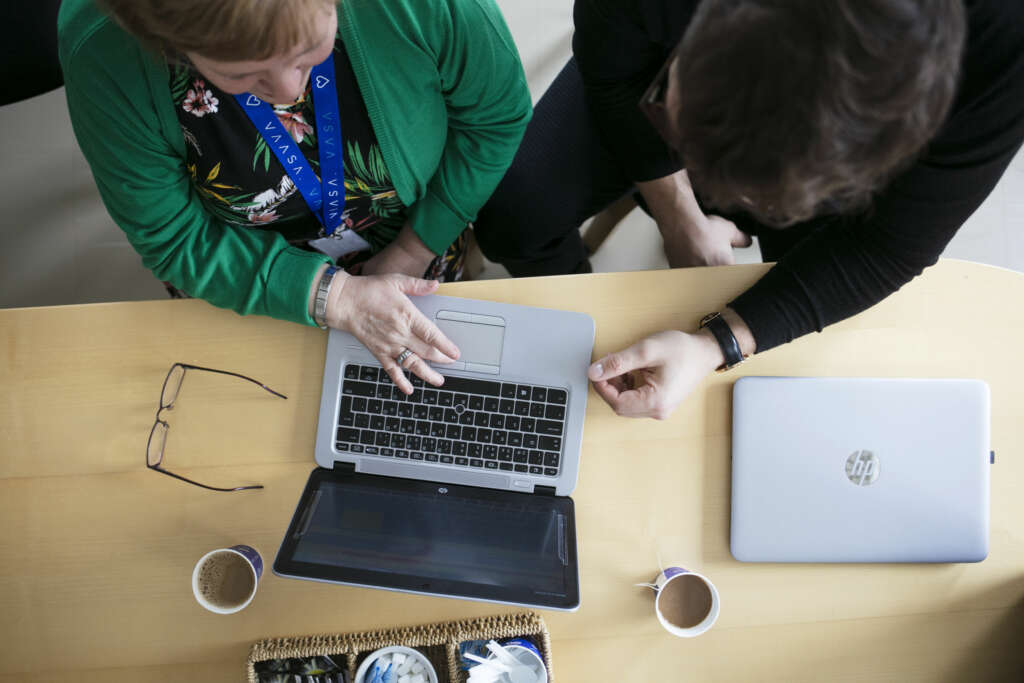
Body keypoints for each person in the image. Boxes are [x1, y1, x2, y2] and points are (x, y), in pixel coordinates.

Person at [474, 0, 1024, 419]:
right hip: (646, 70)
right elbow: (610, 60)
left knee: (799, 367)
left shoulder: (1005, 48)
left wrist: (715, 344)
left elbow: (886, 249)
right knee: (515, 213)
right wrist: (679, 214)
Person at [58, 0, 531, 394]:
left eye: (308, 50)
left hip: (418, 232)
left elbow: (496, 120)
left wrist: (414, 249)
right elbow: (175, 236)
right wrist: (332, 296)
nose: (288, 90)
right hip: (236, 271)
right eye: (244, 74)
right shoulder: (104, 47)